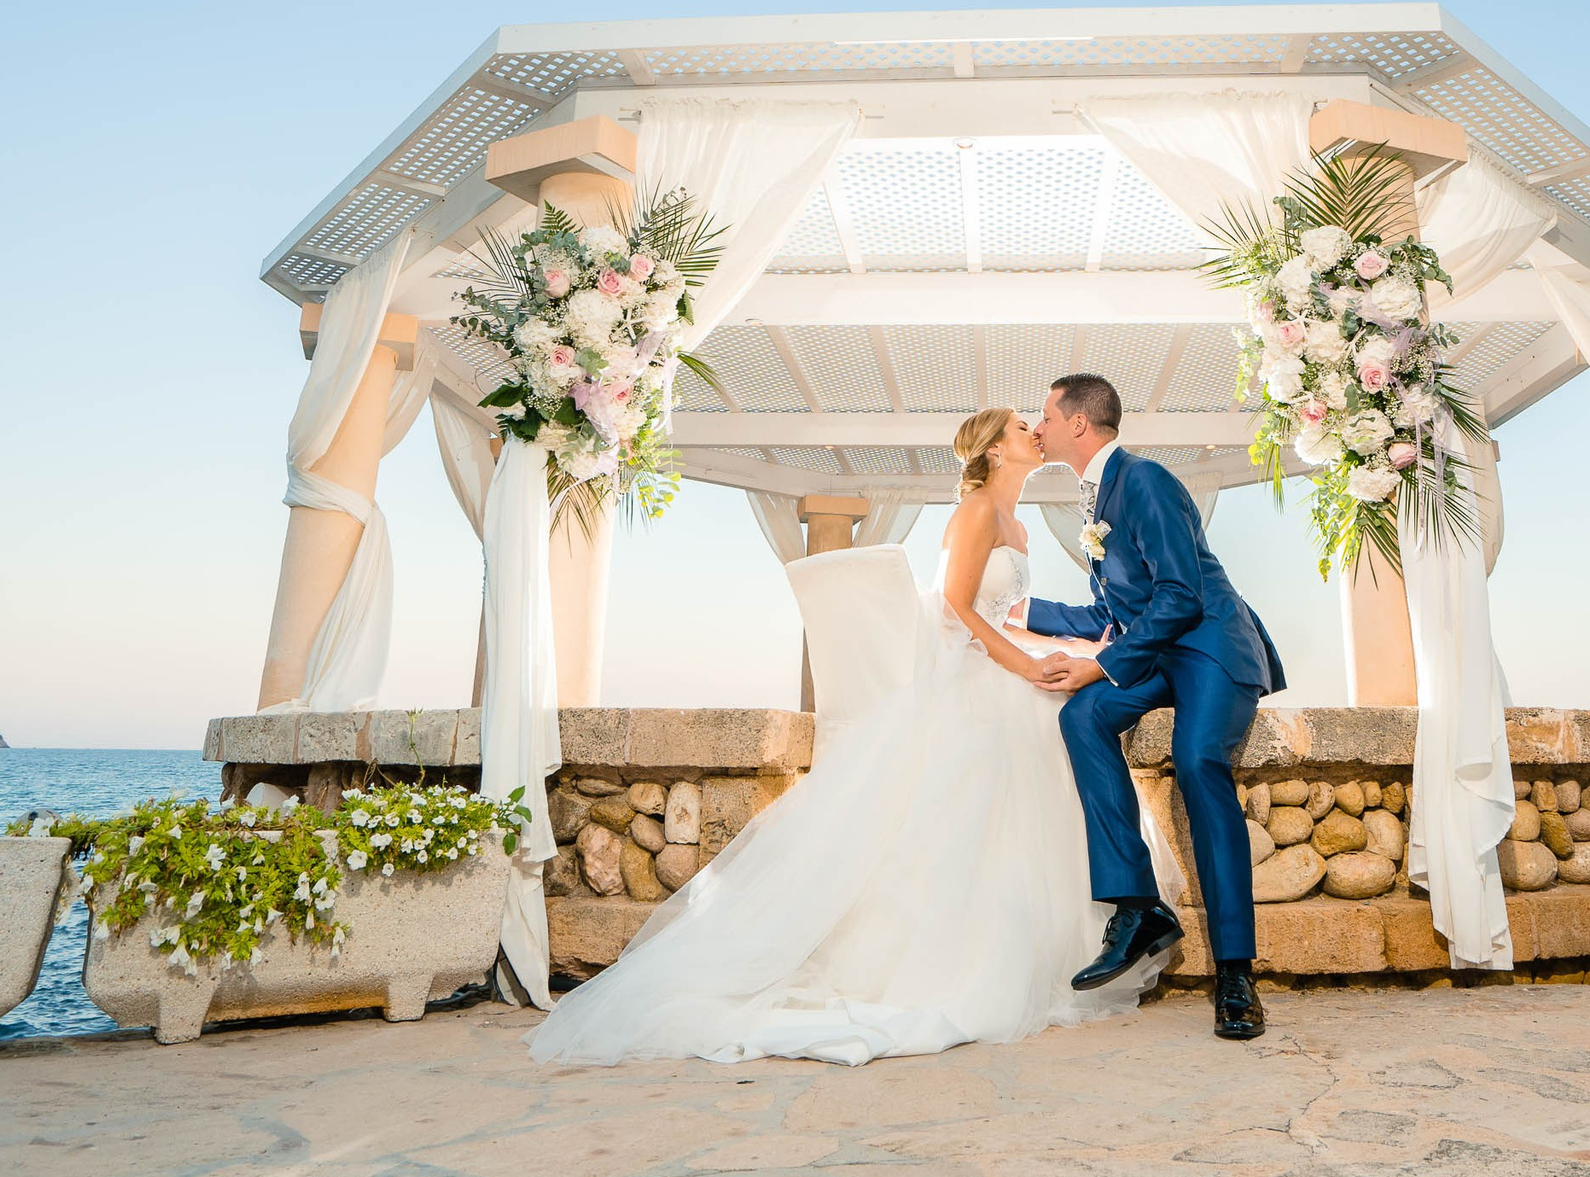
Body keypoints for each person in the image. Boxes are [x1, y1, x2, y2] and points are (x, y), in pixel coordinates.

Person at [523, 407, 1173, 1067]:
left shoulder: (1020, 521)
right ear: (996, 451)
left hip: (995, 664)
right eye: (1019, 427)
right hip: (968, 684)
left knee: (1055, 737)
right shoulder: (977, 510)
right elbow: (957, 608)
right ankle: (960, 962)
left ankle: (1068, 941)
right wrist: (1026, 665)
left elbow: (1001, 615)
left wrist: (1061, 644)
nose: (1035, 431)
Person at [1025, 372, 1288, 1040]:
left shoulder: (1145, 481)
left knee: (1198, 757)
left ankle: (1235, 971)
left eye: (1047, 414)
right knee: (1081, 715)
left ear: (1079, 423)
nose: (1039, 425)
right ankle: (1138, 905)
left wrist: (1098, 664)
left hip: (1209, 647)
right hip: (1161, 652)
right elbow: (1111, 611)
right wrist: (1017, 608)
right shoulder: (1097, 499)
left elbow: (1178, 595)